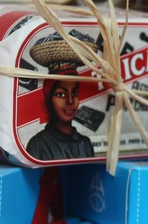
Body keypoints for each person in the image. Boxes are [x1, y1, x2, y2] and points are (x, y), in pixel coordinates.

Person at [25, 32, 96, 161]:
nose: (70, 101)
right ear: (48, 98)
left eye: (74, 93)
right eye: (61, 94)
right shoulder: (38, 146)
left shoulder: (85, 144)